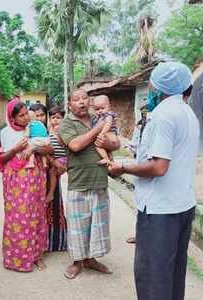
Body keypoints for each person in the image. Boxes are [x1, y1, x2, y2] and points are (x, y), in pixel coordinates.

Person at [109, 62, 199, 300]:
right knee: (172, 274)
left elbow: (159, 166)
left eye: (151, 84)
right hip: (182, 205)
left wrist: (122, 167)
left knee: (152, 276)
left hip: (161, 210)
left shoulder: (163, 115)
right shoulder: (187, 113)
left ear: (159, 87)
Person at [59, 89, 120, 280]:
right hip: (79, 181)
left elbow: (116, 143)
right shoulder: (66, 123)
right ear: (70, 104)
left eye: (84, 98)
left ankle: (91, 259)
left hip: (99, 180)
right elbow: (75, 145)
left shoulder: (98, 116)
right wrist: (97, 130)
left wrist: (109, 143)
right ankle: (77, 262)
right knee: (78, 225)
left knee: (97, 225)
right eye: (76, 100)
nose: (81, 102)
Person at [0, 99, 52, 272]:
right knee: (17, 217)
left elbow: (49, 149)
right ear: (12, 117)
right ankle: (16, 259)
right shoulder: (5, 133)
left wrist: (34, 148)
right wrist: (15, 149)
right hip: (15, 179)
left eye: (25, 114)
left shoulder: (35, 129)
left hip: (35, 177)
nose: (25, 118)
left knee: (36, 214)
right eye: (20, 116)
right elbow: (1, 159)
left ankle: (36, 256)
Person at [45, 106, 68, 252]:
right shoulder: (46, 132)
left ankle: (51, 192)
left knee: (54, 173)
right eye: (53, 117)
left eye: (58, 117)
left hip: (60, 161)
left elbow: (65, 146)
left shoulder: (63, 131)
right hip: (49, 164)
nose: (55, 120)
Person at [91, 95, 119, 165]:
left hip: (109, 134)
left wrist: (102, 133)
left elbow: (108, 124)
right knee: (108, 150)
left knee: (97, 145)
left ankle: (105, 158)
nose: (100, 111)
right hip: (109, 135)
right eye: (97, 109)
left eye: (102, 108)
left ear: (109, 107)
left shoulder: (108, 115)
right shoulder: (97, 117)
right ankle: (111, 162)